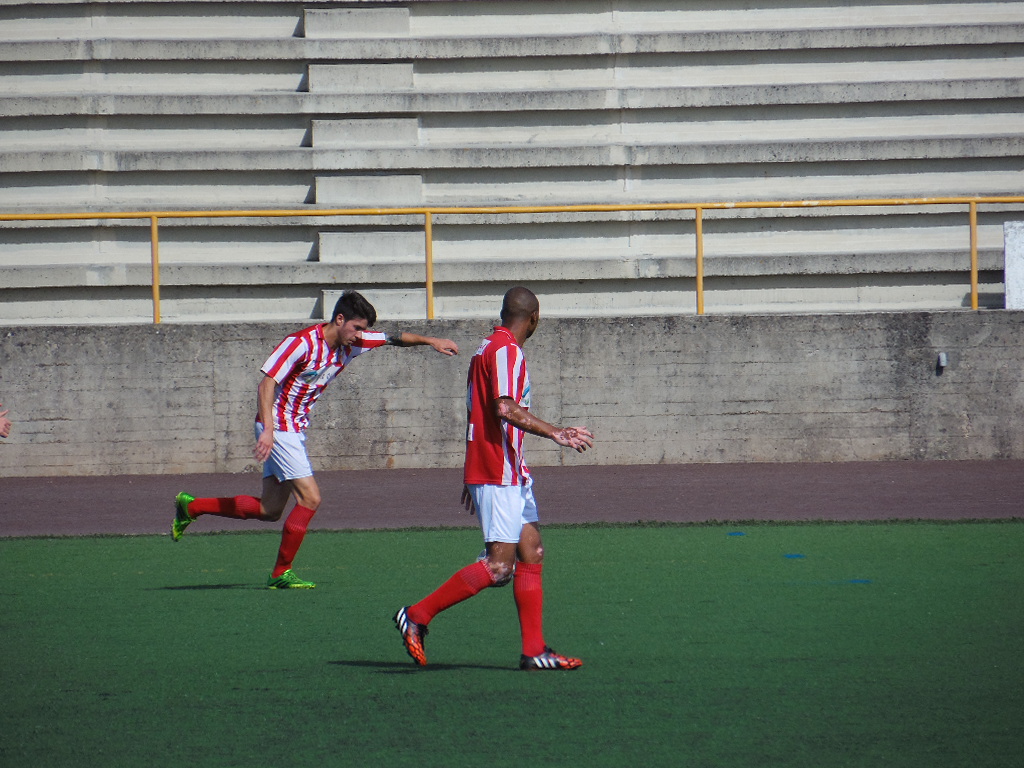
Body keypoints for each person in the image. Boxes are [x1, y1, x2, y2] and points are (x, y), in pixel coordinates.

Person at [172, 290, 459, 589]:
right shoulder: (300, 343)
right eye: (356, 327)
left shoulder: (355, 343)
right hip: (279, 428)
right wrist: (268, 430)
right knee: (310, 498)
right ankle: (281, 573)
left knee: (269, 510)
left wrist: (432, 341)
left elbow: (394, 338)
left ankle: (191, 508)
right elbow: (266, 384)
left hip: (293, 429)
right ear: (339, 319)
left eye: (363, 329)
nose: (360, 335)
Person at [393, 286, 594, 671]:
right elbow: (504, 407)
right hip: (497, 469)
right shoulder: (505, 350)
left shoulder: (487, 347)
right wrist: (556, 432)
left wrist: (472, 471)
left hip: (504, 468)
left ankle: (534, 652)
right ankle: (416, 615)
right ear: (534, 318)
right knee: (499, 567)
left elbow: (479, 412)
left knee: (531, 551)